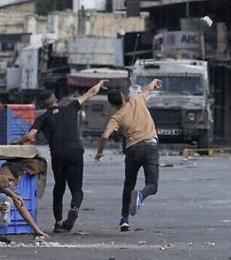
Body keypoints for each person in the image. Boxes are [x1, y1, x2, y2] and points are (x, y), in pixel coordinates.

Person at [13, 80, 109, 233]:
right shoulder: (71, 107)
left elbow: (31, 135)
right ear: (56, 100)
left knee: (59, 188)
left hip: (58, 154)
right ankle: (74, 209)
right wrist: (100, 83)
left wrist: (17, 142)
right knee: (76, 188)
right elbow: (90, 93)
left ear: (42, 105)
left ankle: (58, 223)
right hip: (76, 152)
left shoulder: (42, 118)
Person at [95, 79, 162, 232]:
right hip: (151, 146)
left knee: (128, 185)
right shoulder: (137, 100)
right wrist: (154, 82)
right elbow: (148, 89)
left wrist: (99, 153)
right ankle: (141, 195)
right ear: (124, 97)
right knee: (152, 185)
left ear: (112, 105)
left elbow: (105, 136)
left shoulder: (116, 117)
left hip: (132, 150)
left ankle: (125, 220)